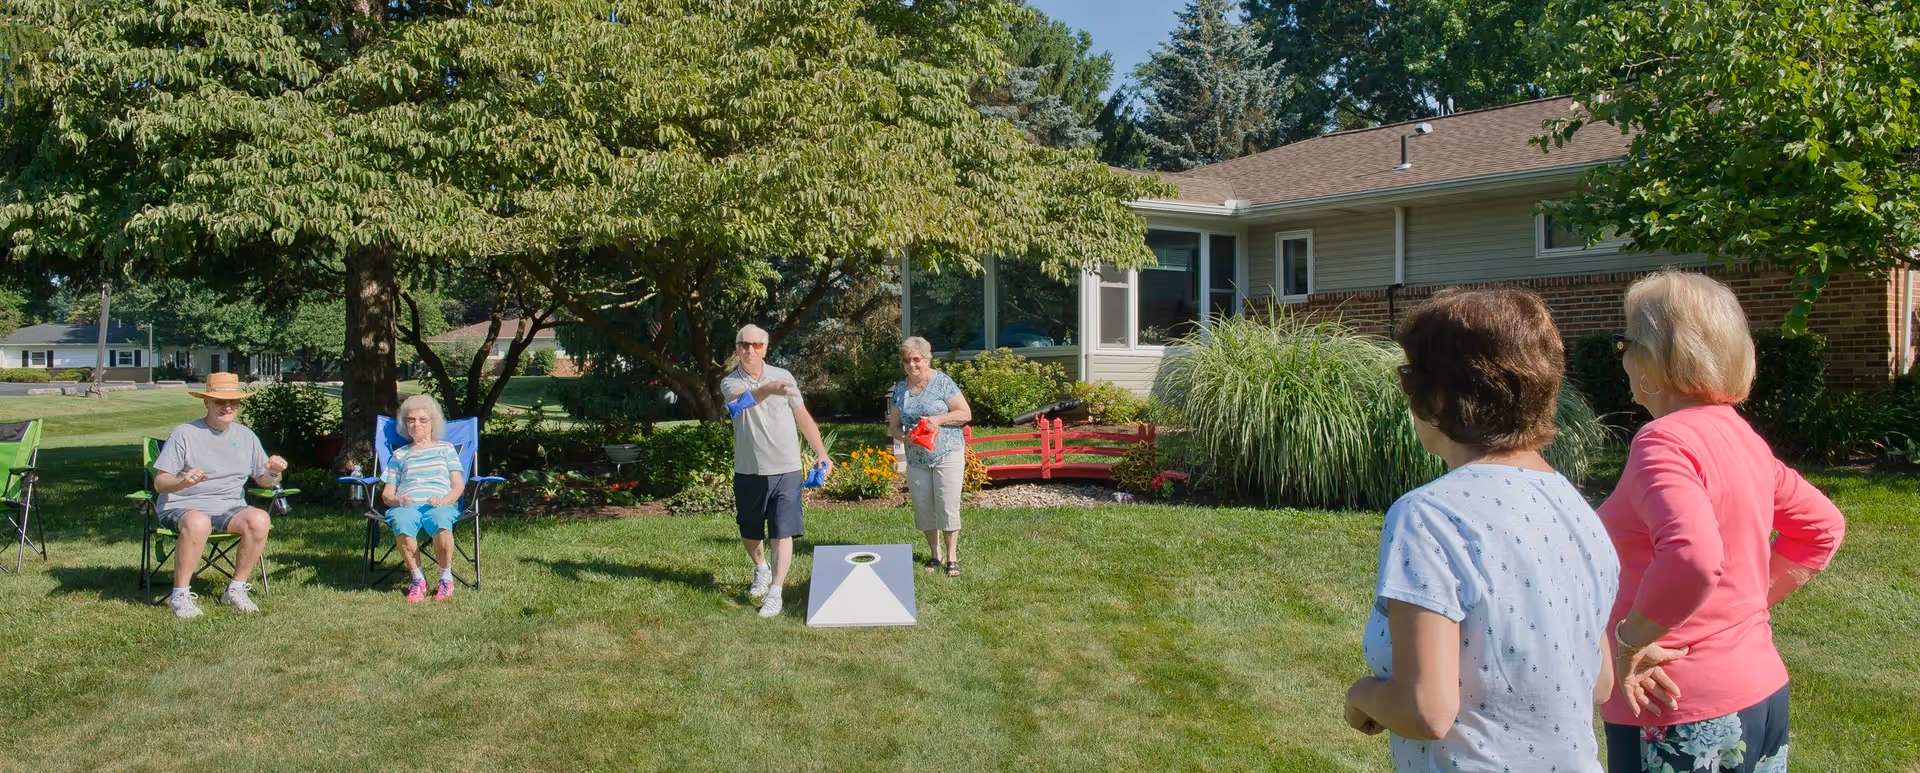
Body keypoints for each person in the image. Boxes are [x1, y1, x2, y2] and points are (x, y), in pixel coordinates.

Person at [1344, 289, 1620, 770]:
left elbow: (1425, 710)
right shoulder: (1579, 512)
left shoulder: (1428, 516)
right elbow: (1600, 683)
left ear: (1437, 397)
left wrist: (1363, 695)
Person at [1600, 271, 1846, 772]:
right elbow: (1821, 528)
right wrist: (1750, 601)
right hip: (1760, 690)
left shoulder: (1663, 440)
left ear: (1651, 359)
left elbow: (1693, 558)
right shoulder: (1739, 434)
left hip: (1675, 706)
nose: (1622, 358)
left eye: (1624, 342)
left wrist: (1633, 640)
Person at [151, 373, 290, 619]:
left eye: (233, 401)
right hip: (182, 505)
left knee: (259, 519)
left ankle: (236, 589)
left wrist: (274, 473)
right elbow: (161, 483)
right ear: (207, 402)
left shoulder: (246, 436)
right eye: (220, 401)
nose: (227, 406)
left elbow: (265, 482)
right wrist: (183, 481)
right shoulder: (184, 433)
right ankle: (180, 595)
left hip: (228, 507)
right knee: (198, 521)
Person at [720, 324, 832, 619]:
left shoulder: (784, 377)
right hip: (750, 470)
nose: (750, 350)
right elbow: (743, 403)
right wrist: (768, 388)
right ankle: (761, 569)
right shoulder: (730, 382)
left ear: (765, 349)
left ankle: (775, 592)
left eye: (756, 345)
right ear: (737, 348)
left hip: (787, 468)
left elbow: (802, 417)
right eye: (744, 344)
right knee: (750, 531)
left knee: (783, 532)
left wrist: (821, 453)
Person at [887, 336, 973, 576]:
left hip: (947, 453)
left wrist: (938, 420)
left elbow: (965, 413)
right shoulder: (901, 389)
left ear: (927, 359)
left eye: (917, 359)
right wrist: (904, 438)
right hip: (917, 458)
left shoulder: (942, 382)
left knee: (947, 503)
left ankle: (952, 557)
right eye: (907, 360)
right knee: (924, 506)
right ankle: (935, 555)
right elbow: (894, 425)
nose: (912, 365)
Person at [379, 394, 466, 603]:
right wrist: (399, 501)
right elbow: (387, 494)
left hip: (440, 503)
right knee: (401, 520)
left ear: (433, 423)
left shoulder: (445, 449)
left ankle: (446, 578)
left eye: (422, 420)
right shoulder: (400, 455)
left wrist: (445, 500)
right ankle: (418, 579)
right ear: (405, 424)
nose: (416, 424)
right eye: (411, 420)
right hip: (407, 505)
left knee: (441, 519)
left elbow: (458, 486)